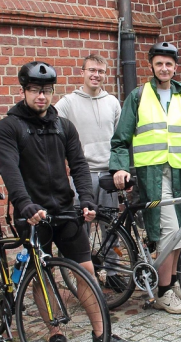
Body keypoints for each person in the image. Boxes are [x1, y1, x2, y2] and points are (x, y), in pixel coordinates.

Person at [0, 61, 131, 342]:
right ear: (24, 91)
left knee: (86, 271)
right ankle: (55, 333)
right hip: (32, 214)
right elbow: (10, 171)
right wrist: (25, 204)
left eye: (46, 90)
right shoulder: (8, 127)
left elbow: (79, 165)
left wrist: (86, 200)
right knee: (41, 276)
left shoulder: (62, 125)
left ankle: (100, 332)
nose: (41, 96)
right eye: (34, 90)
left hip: (66, 210)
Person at [109, 42, 181, 314]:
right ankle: (164, 293)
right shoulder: (138, 96)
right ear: (151, 65)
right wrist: (119, 166)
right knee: (170, 231)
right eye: (159, 63)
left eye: (169, 64)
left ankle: (170, 285)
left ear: (175, 68)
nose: (164, 68)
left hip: (179, 174)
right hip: (151, 174)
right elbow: (120, 139)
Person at [54, 54, 129, 297]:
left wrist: (120, 166)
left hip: (108, 174)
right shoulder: (67, 103)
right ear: (82, 72)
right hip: (81, 175)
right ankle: (83, 277)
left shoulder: (113, 103)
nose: (96, 75)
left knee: (111, 228)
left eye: (100, 71)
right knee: (80, 229)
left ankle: (114, 272)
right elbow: (53, 132)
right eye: (91, 70)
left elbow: (120, 139)